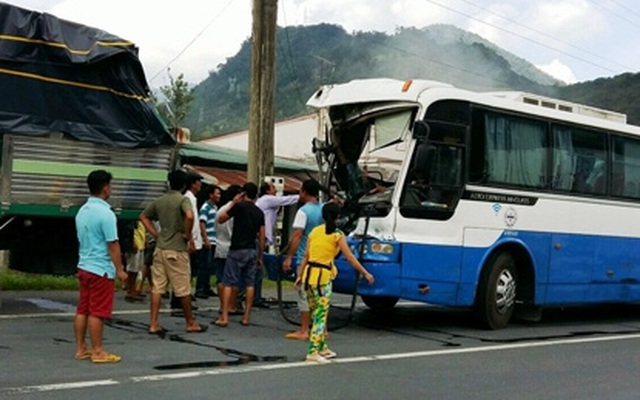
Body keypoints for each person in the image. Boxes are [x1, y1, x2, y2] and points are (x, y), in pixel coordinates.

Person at [296, 202, 375, 363]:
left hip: (309, 276)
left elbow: (306, 256)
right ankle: (312, 351)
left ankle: (322, 348)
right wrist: (365, 273)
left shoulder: (315, 232)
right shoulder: (337, 234)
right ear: (338, 217)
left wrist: (300, 275)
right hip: (323, 277)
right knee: (321, 315)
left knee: (314, 311)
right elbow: (350, 258)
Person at [140, 170, 208, 334]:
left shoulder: (160, 200)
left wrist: (156, 234)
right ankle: (190, 322)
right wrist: (187, 234)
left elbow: (144, 216)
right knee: (182, 288)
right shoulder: (183, 199)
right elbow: (190, 216)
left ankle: (154, 323)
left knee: (158, 288)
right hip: (177, 249)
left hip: (161, 248)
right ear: (184, 185)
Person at [74, 169, 128, 363]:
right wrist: (120, 270)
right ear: (105, 188)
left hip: (84, 266)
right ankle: (98, 351)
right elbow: (112, 244)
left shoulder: (83, 211)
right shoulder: (106, 214)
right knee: (98, 311)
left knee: (83, 309)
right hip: (101, 269)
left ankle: (81, 348)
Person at [214, 182, 265, 327]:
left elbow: (221, 218)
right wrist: (260, 255)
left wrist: (234, 203)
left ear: (243, 194)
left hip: (236, 249)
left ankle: (224, 316)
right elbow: (262, 236)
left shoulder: (239, 207)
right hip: (252, 249)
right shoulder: (259, 212)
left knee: (228, 282)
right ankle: (246, 316)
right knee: (250, 283)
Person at [282, 179, 324, 340]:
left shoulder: (303, 212)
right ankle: (322, 329)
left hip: (305, 258)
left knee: (304, 293)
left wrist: (288, 257)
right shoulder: (324, 209)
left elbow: (297, 235)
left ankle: (304, 330)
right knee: (319, 294)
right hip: (321, 258)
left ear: (304, 192)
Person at [254, 181, 300, 307]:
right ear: (267, 191)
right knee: (257, 269)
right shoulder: (267, 199)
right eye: (273, 187)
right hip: (261, 236)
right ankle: (255, 298)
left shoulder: (265, 201)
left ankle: (256, 296)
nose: (275, 189)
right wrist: (301, 195)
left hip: (263, 236)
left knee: (258, 268)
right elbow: (286, 200)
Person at [170, 171, 204, 310]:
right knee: (184, 273)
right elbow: (191, 221)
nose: (200, 184)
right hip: (190, 240)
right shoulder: (188, 198)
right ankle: (180, 300)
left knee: (187, 272)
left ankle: (182, 298)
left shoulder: (192, 198)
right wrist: (191, 240)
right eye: (198, 182)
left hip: (193, 239)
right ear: (192, 184)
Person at [213, 185, 244, 315]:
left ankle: (222, 305)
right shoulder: (236, 211)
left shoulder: (220, 209)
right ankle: (231, 305)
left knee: (221, 278)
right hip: (233, 247)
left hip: (220, 245)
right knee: (234, 279)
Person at [195, 184, 222, 299]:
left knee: (210, 265)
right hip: (208, 239)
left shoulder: (214, 207)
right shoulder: (206, 207)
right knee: (204, 265)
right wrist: (205, 238)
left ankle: (206, 286)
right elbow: (202, 222)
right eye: (217, 193)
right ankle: (200, 288)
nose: (219, 196)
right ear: (211, 195)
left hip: (214, 239)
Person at [124, 220, 146, 302]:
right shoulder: (131, 220)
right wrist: (132, 242)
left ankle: (133, 289)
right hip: (135, 243)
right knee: (132, 268)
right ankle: (130, 290)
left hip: (140, 243)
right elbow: (130, 230)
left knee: (137, 268)